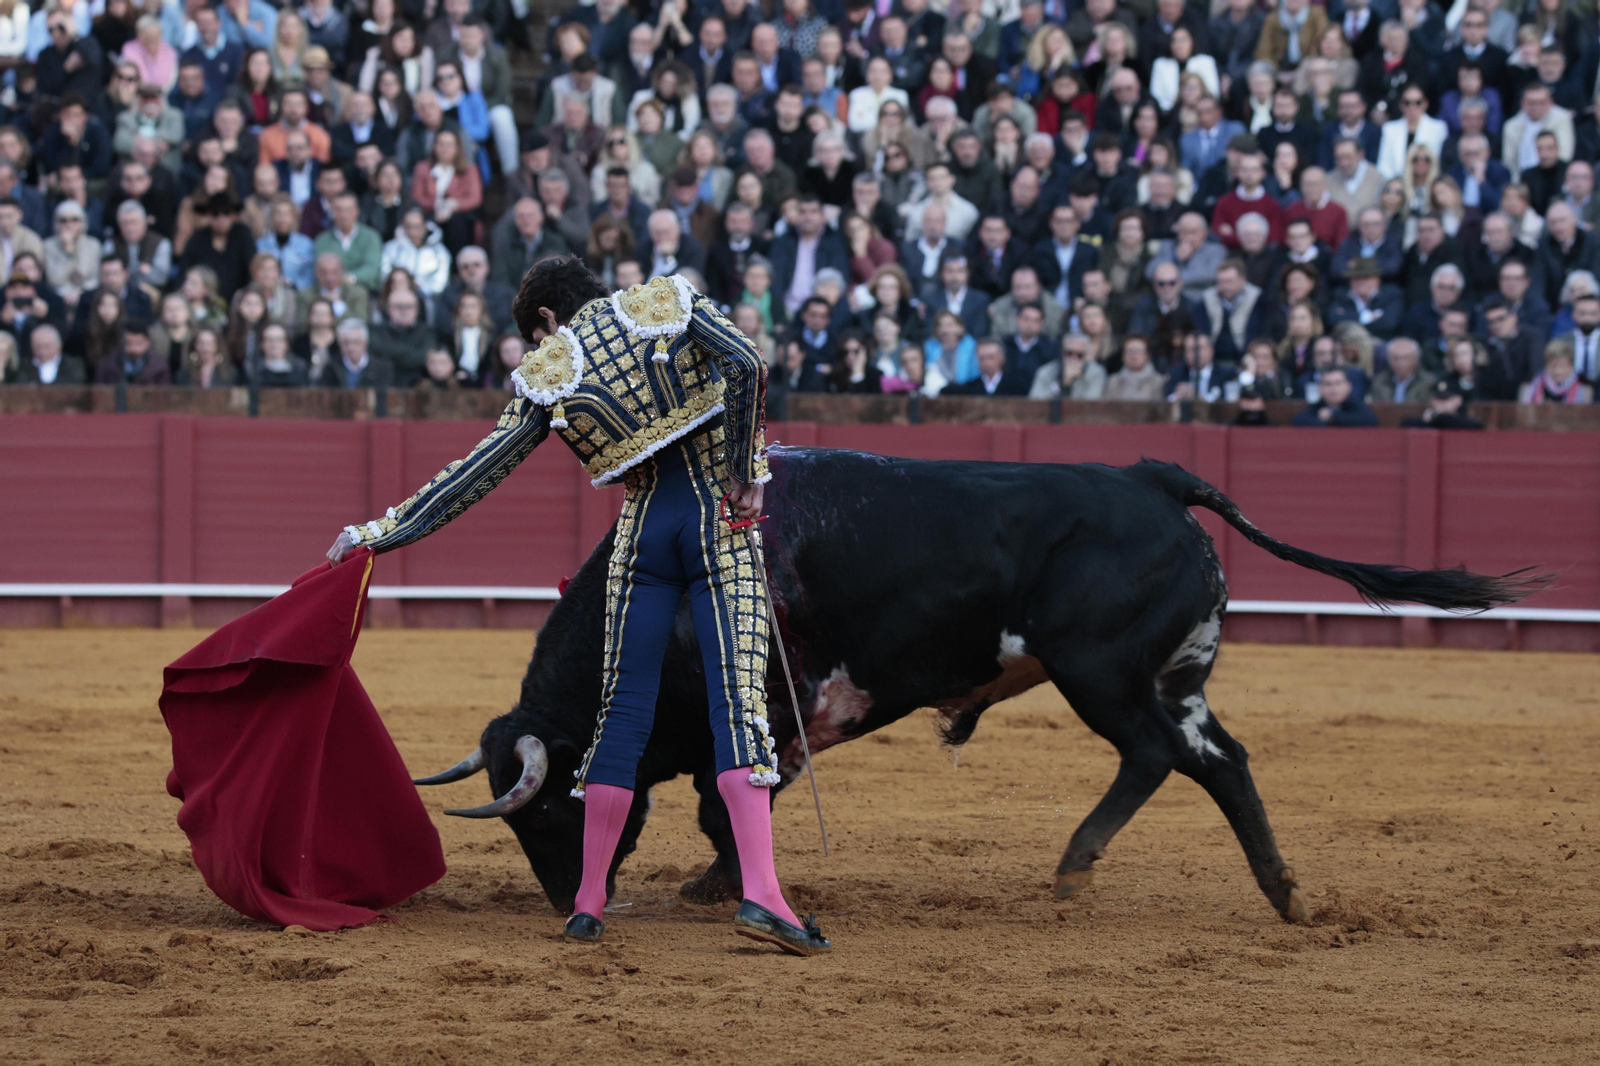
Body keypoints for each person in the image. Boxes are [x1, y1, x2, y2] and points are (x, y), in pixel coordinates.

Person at [326, 256, 827, 954]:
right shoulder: (666, 302)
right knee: (737, 705)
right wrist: (746, 469)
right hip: (716, 522)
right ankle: (764, 897)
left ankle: (589, 904)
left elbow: (472, 475)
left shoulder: (550, 368)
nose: (540, 349)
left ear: (545, 322)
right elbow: (745, 360)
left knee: (620, 717)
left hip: (641, 537)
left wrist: (375, 535)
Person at [1291, 365, 1377, 425]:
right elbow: (1298, 420)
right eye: (1328, 384)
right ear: (1320, 388)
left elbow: (1370, 420)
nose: (1333, 389)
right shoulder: (1316, 408)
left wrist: (1333, 417)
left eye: (1338, 383)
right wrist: (1321, 420)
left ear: (1349, 386)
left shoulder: (1357, 406)